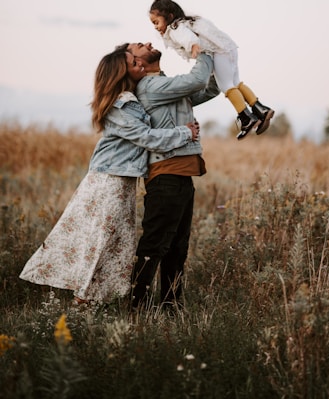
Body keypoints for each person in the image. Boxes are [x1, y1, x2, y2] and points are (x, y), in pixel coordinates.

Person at [19, 44, 199, 305]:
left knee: (116, 241)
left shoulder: (135, 97)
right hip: (109, 180)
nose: (140, 64)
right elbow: (145, 137)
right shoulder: (119, 105)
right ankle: (84, 299)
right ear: (120, 72)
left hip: (123, 181)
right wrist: (185, 133)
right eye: (133, 63)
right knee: (101, 239)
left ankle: (97, 297)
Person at [126, 42, 219, 310]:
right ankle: (137, 307)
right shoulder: (150, 87)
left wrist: (224, 65)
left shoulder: (167, 86)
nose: (149, 43)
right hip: (166, 174)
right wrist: (203, 49)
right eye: (139, 47)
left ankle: (171, 306)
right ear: (139, 64)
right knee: (154, 245)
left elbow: (209, 86)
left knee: (177, 248)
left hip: (181, 176)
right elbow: (197, 78)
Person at [148, 0, 275, 140]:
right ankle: (261, 109)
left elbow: (187, 38)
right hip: (228, 47)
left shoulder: (175, 28)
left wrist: (194, 46)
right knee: (236, 83)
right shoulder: (188, 22)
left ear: (169, 17)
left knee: (226, 86)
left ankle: (246, 117)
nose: (156, 27)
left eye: (156, 22)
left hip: (218, 52)